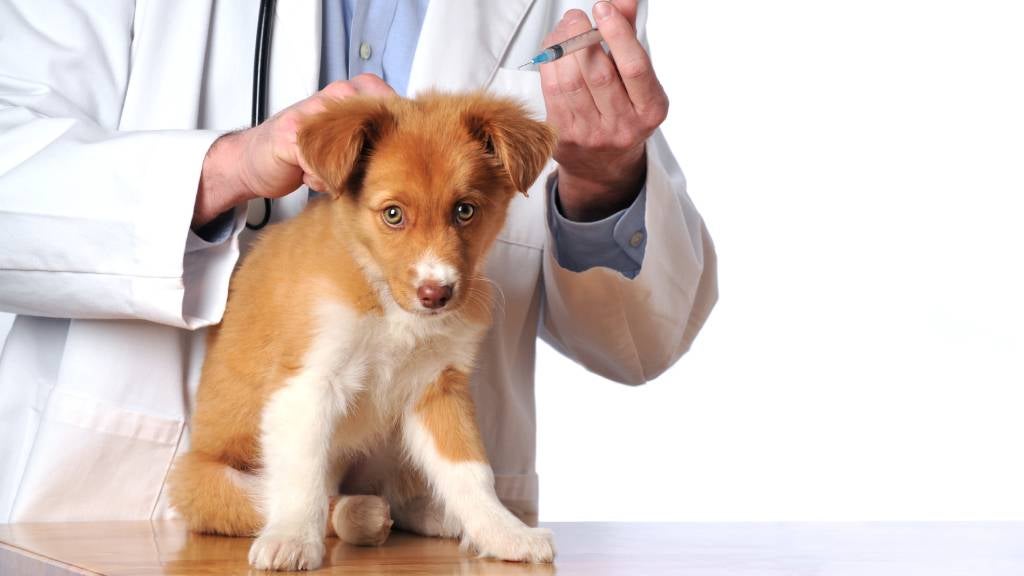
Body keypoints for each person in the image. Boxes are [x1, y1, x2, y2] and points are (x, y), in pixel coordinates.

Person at [0, 0, 717, 525]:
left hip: (423, 533)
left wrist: (603, 178)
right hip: (117, 509)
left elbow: (641, 341)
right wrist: (230, 168)